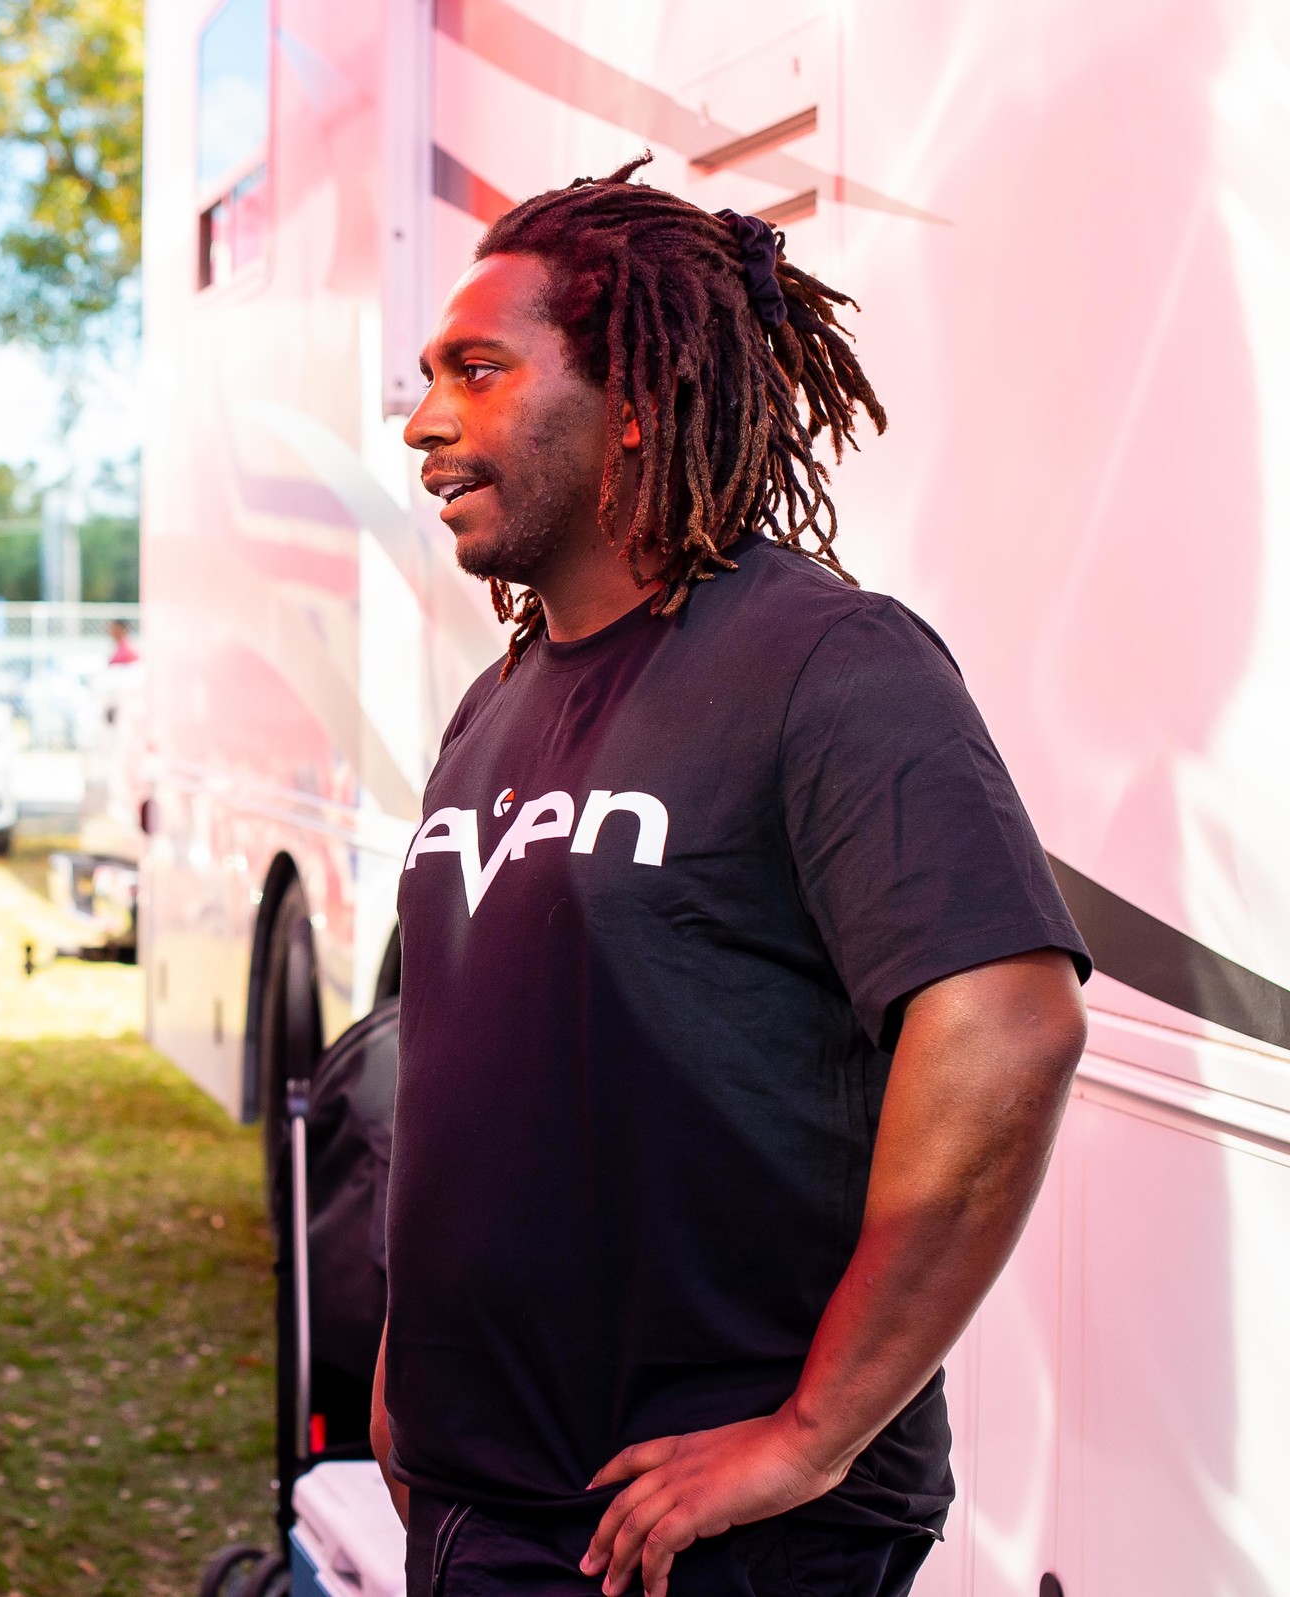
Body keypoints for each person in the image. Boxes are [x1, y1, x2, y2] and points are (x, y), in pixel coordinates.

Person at [369, 158, 1091, 1597]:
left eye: (480, 370)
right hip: (484, 1499)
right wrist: (410, 1359)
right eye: (431, 377)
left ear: (632, 397)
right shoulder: (499, 698)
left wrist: (811, 1433)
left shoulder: (830, 663)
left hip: (702, 1539)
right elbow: (485, 1058)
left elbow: (1009, 1024)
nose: (425, 421)